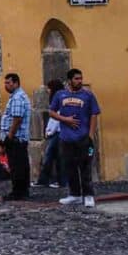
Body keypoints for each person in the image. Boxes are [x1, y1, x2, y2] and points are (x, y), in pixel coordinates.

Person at [50, 68, 101, 208]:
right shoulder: (60, 95)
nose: (79, 81)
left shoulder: (88, 95)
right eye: (76, 79)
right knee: (69, 167)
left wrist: (90, 134)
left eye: (80, 78)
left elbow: (94, 114)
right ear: (70, 80)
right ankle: (75, 194)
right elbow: (52, 112)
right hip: (66, 138)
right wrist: (65, 119)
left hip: (83, 137)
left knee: (85, 167)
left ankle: (88, 195)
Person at [0, 72, 32, 201]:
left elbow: (17, 119)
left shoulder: (17, 97)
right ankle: (23, 190)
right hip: (18, 137)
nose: (6, 85)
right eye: (5, 83)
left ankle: (18, 191)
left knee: (16, 166)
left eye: (8, 83)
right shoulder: (17, 96)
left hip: (16, 138)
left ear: (16, 83)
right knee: (21, 165)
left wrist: (9, 136)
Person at [35, 79, 67, 189]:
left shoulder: (57, 99)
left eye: (49, 88)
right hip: (57, 132)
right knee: (57, 157)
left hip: (57, 133)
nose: (48, 91)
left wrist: (49, 131)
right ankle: (57, 181)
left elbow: (56, 118)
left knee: (49, 157)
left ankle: (45, 180)